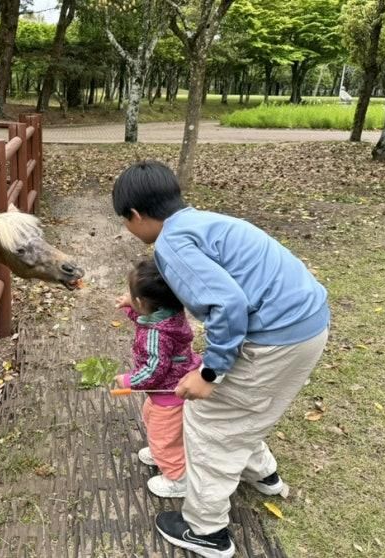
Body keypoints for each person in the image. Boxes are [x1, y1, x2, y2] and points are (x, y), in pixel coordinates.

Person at [112, 161, 330, 558]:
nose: (128, 229)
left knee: (210, 423)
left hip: (277, 337)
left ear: (137, 215)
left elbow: (228, 306)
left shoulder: (172, 244)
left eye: (125, 222)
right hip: (308, 322)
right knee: (241, 412)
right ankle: (264, 476)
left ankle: (207, 531)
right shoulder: (201, 221)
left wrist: (210, 372)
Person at [114, 259, 202, 498]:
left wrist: (130, 380)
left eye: (132, 296)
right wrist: (131, 307)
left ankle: (178, 479)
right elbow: (147, 317)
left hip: (169, 392)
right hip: (171, 387)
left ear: (143, 302)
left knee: (165, 436)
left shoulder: (156, 335)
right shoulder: (170, 314)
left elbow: (155, 370)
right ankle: (162, 450)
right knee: (152, 419)